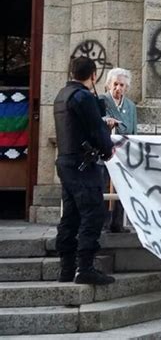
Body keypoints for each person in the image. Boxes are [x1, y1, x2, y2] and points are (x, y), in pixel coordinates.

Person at [54, 56, 115, 285]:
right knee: (92, 213)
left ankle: (66, 268)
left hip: (66, 162)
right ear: (93, 74)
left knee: (70, 216)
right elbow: (96, 130)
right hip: (82, 165)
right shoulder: (83, 97)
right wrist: (107, 149)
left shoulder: (62, 96)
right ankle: (85, 267)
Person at [100, 67, 137, 233]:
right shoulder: (101, 101)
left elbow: (134, 130)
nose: (118, 88)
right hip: (105, 152)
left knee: (121, 187)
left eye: (122, 85)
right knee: (104, 186)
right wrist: (106, 120)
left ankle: (117, 223)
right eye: (115, 84)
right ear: (109, 84)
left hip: (123, 152)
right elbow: (95, 120)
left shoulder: (130, 106)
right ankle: (102, 223)